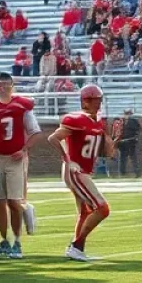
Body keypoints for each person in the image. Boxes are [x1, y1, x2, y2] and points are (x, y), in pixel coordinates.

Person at [48, 84, 114, 261]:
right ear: (85, 101)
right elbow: (53, 138)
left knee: (85, 211)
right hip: (76, 171)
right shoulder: (75, 119)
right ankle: (76, 245)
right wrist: (67, 159)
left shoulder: (97, 121)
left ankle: (77, 249)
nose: (98, 104)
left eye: (100, 100)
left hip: (84, 170)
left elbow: (100, 152)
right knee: (102, 208)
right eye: (95, 100)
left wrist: (112, 143)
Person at [0, 73, 37, 260]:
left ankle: (17, 241)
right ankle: (4, 240)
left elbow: (35, 132)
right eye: (0, 84)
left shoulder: (22, 105)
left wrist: (24, 149)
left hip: (15, 158)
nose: (3, 87)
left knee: (14, 201)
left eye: (6, 84)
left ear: (13, 86)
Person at [114, 108, 141, 177]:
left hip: (131, 142)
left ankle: (137, 173)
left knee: (133, 158)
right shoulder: (119, 121)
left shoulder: (134, 121)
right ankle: (122, 174)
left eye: (129, 114)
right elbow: (116, 132)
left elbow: (138, 130)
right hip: (122, 143)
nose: (128, 115)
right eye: (127, 113)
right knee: (122, 159)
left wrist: (135, 137)